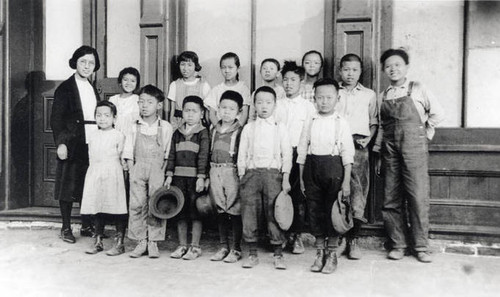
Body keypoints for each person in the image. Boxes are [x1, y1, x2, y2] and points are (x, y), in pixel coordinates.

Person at [374, 48, 444, 263]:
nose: (393, 69)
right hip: (390, 150)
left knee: (417, 196)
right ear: (384, 70)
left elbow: (438, 114)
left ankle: (421, 246)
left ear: (406, 68)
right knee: (390, 197)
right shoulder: (382, 96)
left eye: (397, 65)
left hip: (414, 148)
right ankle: (398, 244)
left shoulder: (418, 89)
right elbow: (380, 126)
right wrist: (378, 152)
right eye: (388, 66)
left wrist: (423, 134)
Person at [297, 78, 354, 274]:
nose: (324, 101)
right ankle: (319, 252)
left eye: (329, 97)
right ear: (314, 99)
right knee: (315, 212)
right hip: (312, 168)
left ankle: (332, 254)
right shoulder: (310, 121)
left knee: (332, 212)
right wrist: (302, 177)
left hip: (334, 169)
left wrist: (346, 181)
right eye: (320, 97)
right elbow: (302, 150)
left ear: (337, 99)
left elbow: (348, 154)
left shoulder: (341, 123)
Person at [238, 86, 292, 270]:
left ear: (275, 105)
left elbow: (287, 155)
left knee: (274, 213)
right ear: (254, 105)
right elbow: (242, 154)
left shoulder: (280, 128)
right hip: (251, 174)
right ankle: (252, 253)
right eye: (259, 102)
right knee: (249, 213)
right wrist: (242, 175)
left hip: (273, 175)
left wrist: (285, 178)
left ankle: (278, 253)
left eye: (268, 102)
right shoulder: (248, 128)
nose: (264, 106)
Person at [51, 45, 101, 243]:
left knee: (87, 184)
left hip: (91, 140)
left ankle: (87, 225)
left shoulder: (91, 86)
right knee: (68, 185)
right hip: (72, 142)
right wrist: (61, 144)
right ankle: (65, 227)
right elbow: (56, 119)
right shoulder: (65, 88)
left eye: (91, 63)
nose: (87, 66)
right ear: (75, 62)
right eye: (83, 62)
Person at [123, 85, 173, 258]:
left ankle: (153, 241)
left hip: (157, 170)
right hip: (138, 168)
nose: (144, 105)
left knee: (155, 204)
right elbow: (128, 151)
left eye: (149, 102)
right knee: (137, 204)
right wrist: (131, 169)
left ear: (159, 105)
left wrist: (165, 174)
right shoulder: (133, 126)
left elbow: (167, 154)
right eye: (141, 102)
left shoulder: (165, 127)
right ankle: (140, 241)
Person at [336, 54, 378, 259]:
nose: (350, 74)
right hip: (336, 146)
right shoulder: (334, 92)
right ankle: (340, 237)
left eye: (354, 70)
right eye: (346, 69)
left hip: (359, 145)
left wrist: (368, 140)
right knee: (339, 190)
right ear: (340, 71)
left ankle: (354, 238)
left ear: (360, 72)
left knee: (359, 191)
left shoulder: (369, 94)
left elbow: (374, 122)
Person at [274, 61, 316, 254]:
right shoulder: (276, 104)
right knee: (279, 195)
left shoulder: (309, 107)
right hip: (279, 155)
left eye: (293, 79)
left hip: (299, 156)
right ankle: (281, 235)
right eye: (285, 80)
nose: (288, 83)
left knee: (299, 197)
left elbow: (308, 134)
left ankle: (297, 236)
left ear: (302, 81)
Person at [166, 96, 210, 260]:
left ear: (201, 113)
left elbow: (204, 156)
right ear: (182, 112)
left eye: (194, 111)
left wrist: (201, 177)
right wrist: (169, 175)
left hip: (194, 180)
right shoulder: (177, 133)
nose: (190, 114)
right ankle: (182, 245)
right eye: (187, 111)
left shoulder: (203, 133)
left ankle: (195, 246)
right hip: (178, 179)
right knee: (180, 212)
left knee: (195, 212)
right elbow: (171, 155)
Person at [80, 101, 127, 255]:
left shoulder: (118, 135)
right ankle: (98, 240)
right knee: (97, 205)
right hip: (96, 172)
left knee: (118, 206)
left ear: (114, 118)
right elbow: (90, 156)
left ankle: (119, 243)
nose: (102, 119)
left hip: (113, 172)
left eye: (107, 115)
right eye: (98, 115)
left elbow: (122, 157)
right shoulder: (93, 136)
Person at [208, 91, 244, 263]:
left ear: (238, 112)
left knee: (234, 209)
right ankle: (223, 246)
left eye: (231, 109)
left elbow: (242, 155)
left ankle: (236, 248)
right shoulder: (213, 129)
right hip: (214, 170)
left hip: (231, 171)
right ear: (218, 110)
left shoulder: (240, 131)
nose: (226, 112)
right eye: (223, 108)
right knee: (220, 209)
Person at [166, 51, 211, 129]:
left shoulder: (203, 85)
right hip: (178, 123)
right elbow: (172, 110)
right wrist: (172, 124)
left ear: (195, 66)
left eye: (189, 65)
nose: (185, 68)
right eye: (182, 64)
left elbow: (207, 110)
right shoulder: (175, 84)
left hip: (197, 124)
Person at [205, 52, 251, 126]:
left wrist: (236, 129)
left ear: (238, 69)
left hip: (236, 129)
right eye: (223, 67)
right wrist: (218, 128)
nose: (226, 71)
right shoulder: (216, 89)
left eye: (230, 67)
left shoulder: (243, 88)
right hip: (219, 129)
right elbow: (211, 114)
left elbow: (244, 114)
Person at [109, 67, 141, 137]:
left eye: (133, 81)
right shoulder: (113, 99)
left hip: (132, 136)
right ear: (120, 82)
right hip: (114, 134)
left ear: (137, 83)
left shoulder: (138, 99)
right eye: (125, 80)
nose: (129, 83)